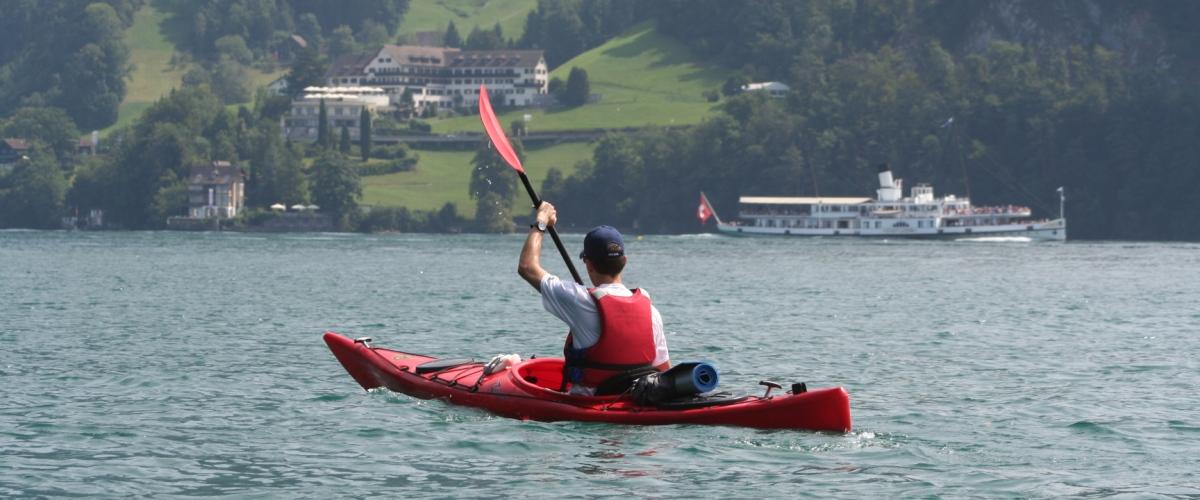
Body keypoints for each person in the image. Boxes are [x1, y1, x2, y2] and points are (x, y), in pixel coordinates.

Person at [517, 202, 670, 396]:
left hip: (591, 410)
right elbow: (664, 371)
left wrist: (541, 220)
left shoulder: (580, 301)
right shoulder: (650, 311)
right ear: (624, 262)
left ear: (588, 264)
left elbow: (527, 267)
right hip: (637, 403)